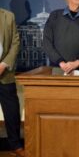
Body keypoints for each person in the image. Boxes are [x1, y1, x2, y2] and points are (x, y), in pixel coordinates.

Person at [0, 8, 24, 157]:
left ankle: (15, 145)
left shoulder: (8, 16)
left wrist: (4, 64)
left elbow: (15, 42)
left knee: (12, 111)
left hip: (5, 72)